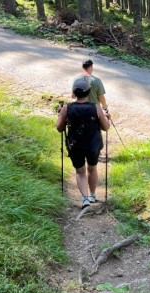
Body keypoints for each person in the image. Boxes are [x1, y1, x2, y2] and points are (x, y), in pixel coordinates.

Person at [57, 79, 110, 209]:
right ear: (89, 92)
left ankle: (85, 199)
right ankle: (92, 195)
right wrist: (106, 117)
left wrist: (61, 115)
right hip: (93, 144)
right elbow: (106, 127)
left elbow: (59, 128)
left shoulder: (66, 108)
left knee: (80, 171)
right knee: (92, 168)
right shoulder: (96, 108)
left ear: (74, 93)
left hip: (75, 144)